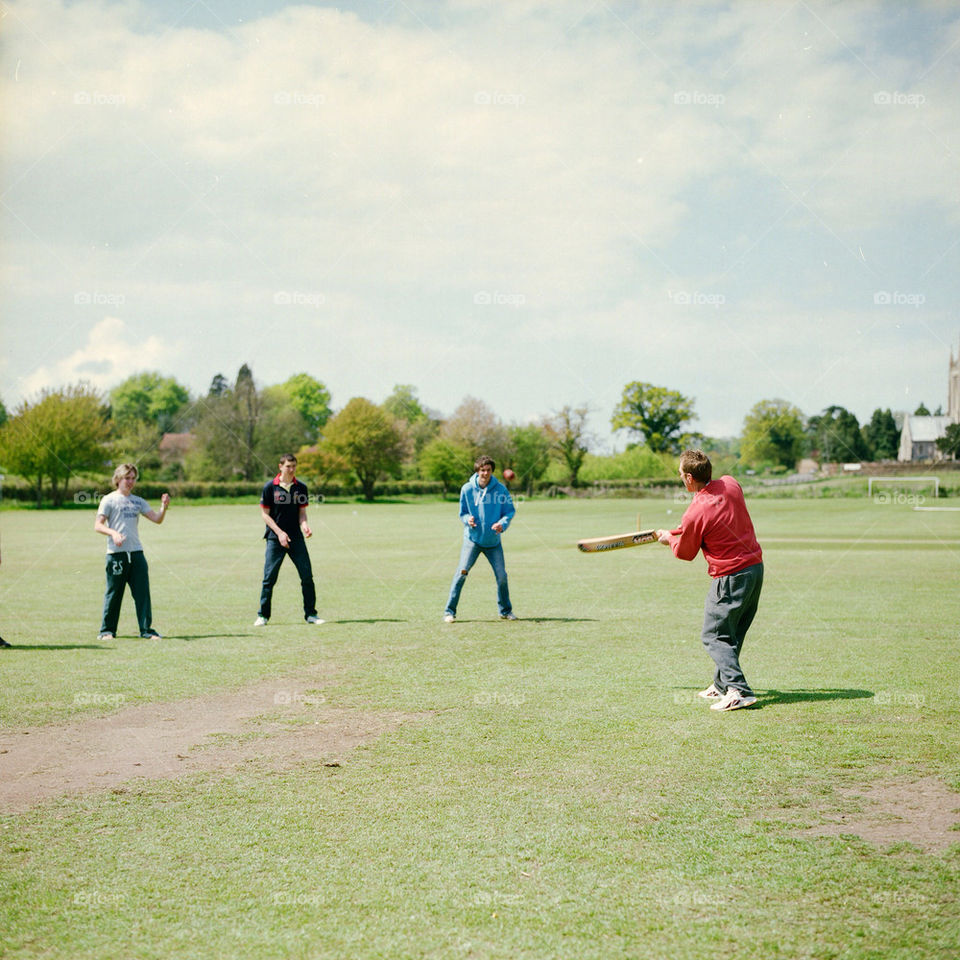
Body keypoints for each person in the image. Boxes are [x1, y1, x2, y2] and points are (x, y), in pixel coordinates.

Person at [656, 450, 763, 712]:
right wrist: (683, 529)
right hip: (755, 569)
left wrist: (668, 538)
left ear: (690, 478)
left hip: (730, 576)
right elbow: (712, 516)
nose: (681, 479)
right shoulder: (731, 483)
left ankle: (739, 690)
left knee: (714, 635)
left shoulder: (695, 512)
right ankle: (722, 684)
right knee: (732, 633)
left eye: (681, 475)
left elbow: (685, 553)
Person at [94, 464, 170, 640]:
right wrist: (113, 533)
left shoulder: (138, 501)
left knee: (142, 593)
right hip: (116, 554)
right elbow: (97, 525)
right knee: (114, 593)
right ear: (118, 479)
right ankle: (107, 631)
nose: (130, 482)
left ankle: (146, 630)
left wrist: (163, 507)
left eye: (133, 478)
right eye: (127, 478)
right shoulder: (109, 500)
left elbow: (157, 519)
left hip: (136, 553)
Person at [444, 455, 516, 623]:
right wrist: (467, 519)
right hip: (473, 541)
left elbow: (509, 511)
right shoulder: (467, 489)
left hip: (493, 542)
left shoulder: (501, 490)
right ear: (477, 471)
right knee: (461, 574)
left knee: (502, 576)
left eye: (488, 470)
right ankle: (449, 611)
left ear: (492, 471)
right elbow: (462, 512)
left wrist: (502, 524)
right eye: (482, 470)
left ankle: (505, 611)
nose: (485, 473)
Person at [255, 453, 323, 626]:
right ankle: (263, 615)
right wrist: (279, 533)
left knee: (307, 575)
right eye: (288, 466)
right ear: (280, 466)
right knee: (269, 578)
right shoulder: (270, 487)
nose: (291, 470)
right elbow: (265, 515)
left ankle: (311, 615)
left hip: (296, 538)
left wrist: (305, 525)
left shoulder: (301, 487)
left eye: (294, 466)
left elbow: (302, 513)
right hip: (274, 538)